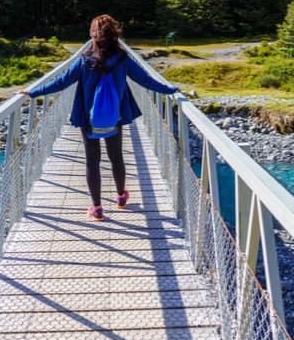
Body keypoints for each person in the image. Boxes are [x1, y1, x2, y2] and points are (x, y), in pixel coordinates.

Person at [22, 14, 178, 221]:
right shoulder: (123, 60)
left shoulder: (84, 61)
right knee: (116, 157)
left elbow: (60, 82)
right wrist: (170, 89)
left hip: (89, 119)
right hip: (115, 116)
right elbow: (146, 81)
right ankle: (121, 197)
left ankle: (97, 208)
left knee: (92, 162)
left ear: (92, 35)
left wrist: (32, 92)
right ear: (115, 35)